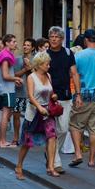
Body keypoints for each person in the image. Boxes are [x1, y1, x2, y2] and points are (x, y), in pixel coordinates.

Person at [69, 29, 95, 168]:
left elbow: (73, 74)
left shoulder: (79, 55)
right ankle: (92, 160)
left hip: (83, 92)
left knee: (75, 125)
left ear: (86, 40)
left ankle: (78, 153)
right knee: (94, 129)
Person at [15, 51, 60, 180]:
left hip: (47, 112)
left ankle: (51, 166)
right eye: (47, 64)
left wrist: (53, 96)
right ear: (39, 65)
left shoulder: (49, 76)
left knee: (52, 137)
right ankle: (19, 165)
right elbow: (30, 96)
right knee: (27, 142)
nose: (48, 66)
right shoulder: (31, 77)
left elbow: (50, 92)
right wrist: (39, 107)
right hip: (34, 113)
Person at [45, 26, 82, 174]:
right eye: (51, 36)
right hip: (48, 98)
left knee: (63, 129)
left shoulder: (68, 53)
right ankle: (55, 162)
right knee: (51, 132)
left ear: (62, 39)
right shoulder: (44, 55)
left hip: (65, 96)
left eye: (57, 37)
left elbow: (74, 73)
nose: (54, 39)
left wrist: (78, 94)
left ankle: (51, 153)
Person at [0, 34, 23, 148]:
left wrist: (13, 80)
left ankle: (0, 140)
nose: (15, 43)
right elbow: (6, 75)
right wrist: (16, 78)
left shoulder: (3, 55)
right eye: (13, 41)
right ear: (7, 43)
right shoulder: (5, 56)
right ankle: (2, 141)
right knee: (5, 116)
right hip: (6, 89)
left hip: (4, 88)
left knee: (5, 115)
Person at [12, 38, 35, 145]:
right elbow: (14, 75)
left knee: (31, 117)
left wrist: (30, 67)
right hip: (20, 91)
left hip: (32, 92)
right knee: (16, 115)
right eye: (24, 45)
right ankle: (16, 138)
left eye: (28, 45)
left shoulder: (36, 59)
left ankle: (28, 138)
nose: (25, 47)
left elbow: (38, 75)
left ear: (33, 48)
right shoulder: (17, 59)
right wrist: (25, 69)